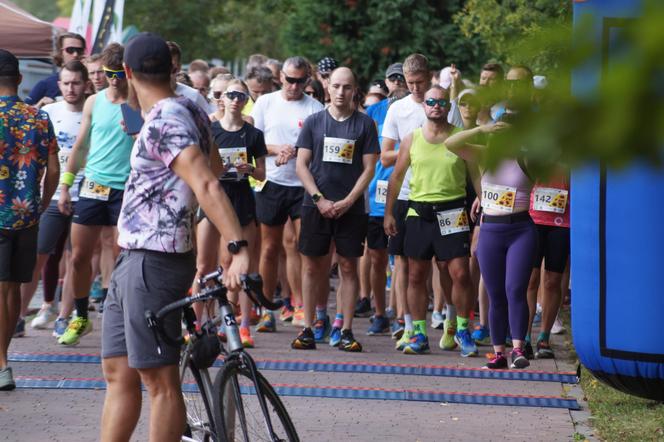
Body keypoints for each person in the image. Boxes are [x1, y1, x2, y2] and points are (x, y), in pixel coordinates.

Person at [99, 33, 249, 442]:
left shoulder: (166, 120)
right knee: (118, 370)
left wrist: (237, 246)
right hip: (135, 258)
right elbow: (215, 167)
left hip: (155, 260)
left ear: (127, 73)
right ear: (171, 70)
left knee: (159, 379)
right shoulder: (188, 108)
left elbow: (207, 182)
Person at [445, 65, 537, 370]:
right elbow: (451, 144)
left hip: (521, 228)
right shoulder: (486, 153)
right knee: (495, 292)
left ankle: (518, 348)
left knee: (515, 289)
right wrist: (484, 129)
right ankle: (498, 351)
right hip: (491, 229)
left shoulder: (527, 156)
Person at [385, 85, 478, 357]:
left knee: (460, 272)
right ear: (424, 106)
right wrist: (389, 212)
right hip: (419, 211)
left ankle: (461, 329)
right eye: (431, 101)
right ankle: (420, 333)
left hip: (453, 210)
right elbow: (397, 177)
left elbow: (475, 174)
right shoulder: (411, 139)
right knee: (416, 274)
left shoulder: (460, 137)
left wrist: (483, 198)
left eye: (441, 102)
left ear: (448, 107)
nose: (436, 106)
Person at [291, 67, 379, 351]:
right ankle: (309, 326)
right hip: (315, 205)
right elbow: (301, 164)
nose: (341, 92)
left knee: (348, 266)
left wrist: (349, 200)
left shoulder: (365, 124)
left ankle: (347, 329)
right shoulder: (314, 122)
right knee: (312, 266)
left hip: (350, 208)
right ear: (327, 87)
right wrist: (319, 199)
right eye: (337, 86)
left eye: (347, 87)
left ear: (355, 90)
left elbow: (369, 168)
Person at [56, 43, 134, 346]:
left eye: (118, 74)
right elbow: (80, 146)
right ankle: (80, 316)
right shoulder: (94, 102)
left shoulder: (136, 103)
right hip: (93, 185)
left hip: (126, 188)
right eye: (107, 73)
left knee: (120, 258)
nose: (112, 80)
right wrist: (65, 185)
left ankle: (120, 319)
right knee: (78, 257)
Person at [250, 56, 324, 333]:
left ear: (307, 80)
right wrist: (277, 149)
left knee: (299, 246)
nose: (294, 86)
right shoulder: (265, 102)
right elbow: (254, 141)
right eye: (289, 80)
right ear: (280, 77)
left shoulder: (315, 107)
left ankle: (300, 304)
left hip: (302, 184)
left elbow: (318, 148)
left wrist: (297, 151)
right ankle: (267, 307)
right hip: (273, 181)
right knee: (269, 248)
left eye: (300, 81)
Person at [0, 49, 59, 390]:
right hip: (26, 214)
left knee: (3, 291)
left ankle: (3, 363)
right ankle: (4, 361)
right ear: (20, 80)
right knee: (11, 292)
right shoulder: (39, 117)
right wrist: (41, 203)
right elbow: (54, 170)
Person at [195, 79, 267, 348]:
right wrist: (218, 169)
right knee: (204, 266)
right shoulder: (210, 131)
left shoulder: (254, 135)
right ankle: (196, 325)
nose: (236, 99)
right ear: (222, 99)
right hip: (214, 197)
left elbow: (262, 174)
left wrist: (248, 169)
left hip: (242, 198)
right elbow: (200, 169)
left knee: (243, 266)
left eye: (241, 95)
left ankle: (244, 326)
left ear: (246, 100)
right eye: (231, 95)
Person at [18, 61, 88, 333]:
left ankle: (64, 317)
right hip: (52, 194)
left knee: (76, 258)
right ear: (58, 84)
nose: (71, 88)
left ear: (85, 84)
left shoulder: (92, 110)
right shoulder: (48, 112)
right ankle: (18, 316)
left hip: (86, 195)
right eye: (66, 83)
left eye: (76, 83)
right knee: (38, 256)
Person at [380, 54, 430, 351]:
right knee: (402, 262)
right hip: (404, 192)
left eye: (419, 82)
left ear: (429, 76)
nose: (414, 88)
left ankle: (449, 321)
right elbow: (385, 155)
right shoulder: (398, 109)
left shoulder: (441, 104)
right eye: (410, 83)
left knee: (440, 264)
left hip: (437, 194)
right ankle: (406, 323)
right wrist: (413, 148)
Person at [25, 32, 86, 107]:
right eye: (70, 50)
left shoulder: (93, 81)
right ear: (60, 53)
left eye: (79, 50)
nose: (75, 54)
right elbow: (23, 113)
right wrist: (39, 105)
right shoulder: (46, 84)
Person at [165, 41, 211, 113]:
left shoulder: (194, 96)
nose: (166, 72)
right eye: (162, 66)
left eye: (172, 67)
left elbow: (209, 121)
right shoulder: (146, 94)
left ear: (179, 67)